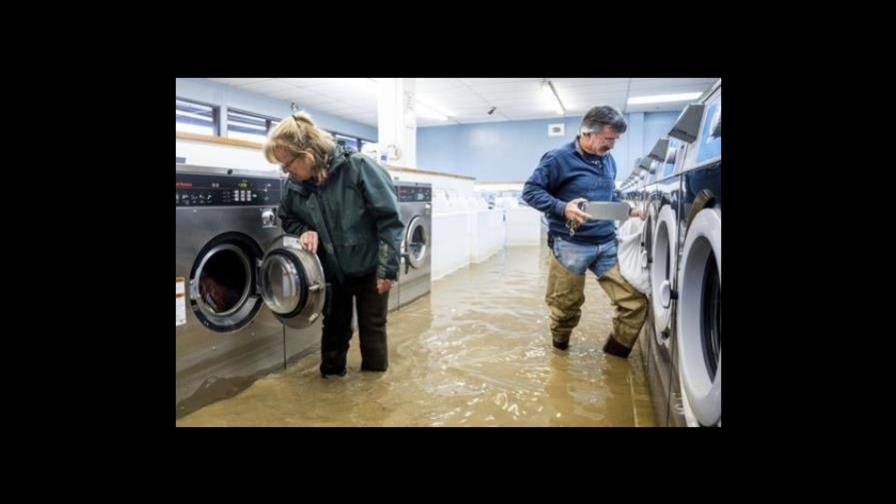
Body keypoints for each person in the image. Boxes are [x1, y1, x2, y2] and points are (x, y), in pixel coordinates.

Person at [264, 112, 404, 377]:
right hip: (329, 270)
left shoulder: (359, 168)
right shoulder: (294, 185)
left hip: (370, 266)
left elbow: (389, 220)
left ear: (307, 153)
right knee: (334, 329)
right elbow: (287, 218)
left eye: (288, 163)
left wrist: (387, 269)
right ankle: (330, 385)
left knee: (372, 328)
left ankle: (375, 394)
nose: (285, 171)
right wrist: (304, 231)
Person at [522, 106, 647, 358]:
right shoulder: (558, 158)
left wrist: (627, 210)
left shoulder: (608, 160)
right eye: (608, 139)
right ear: (587, 133)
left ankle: (614, 361)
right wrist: (562, 207)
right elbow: (530, 192)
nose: (612, 145)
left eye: (615, 140)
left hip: (606, 244)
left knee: (634, 304)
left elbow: (608, 194)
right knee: (565, 310)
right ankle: (560, 357)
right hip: (570, 244)